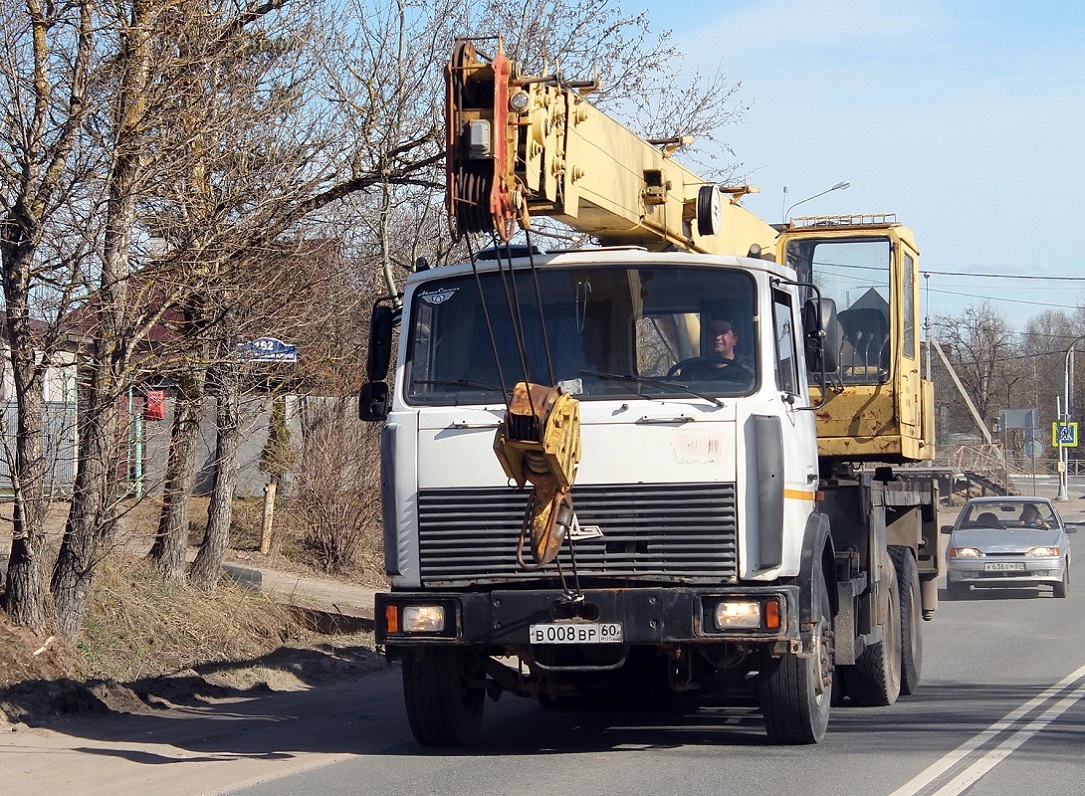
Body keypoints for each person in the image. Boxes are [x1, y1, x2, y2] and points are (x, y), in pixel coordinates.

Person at [669, 318, 753, 383]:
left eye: (723, 332)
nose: (717, 337)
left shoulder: (748, 370)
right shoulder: (691, 371)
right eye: (713, 332)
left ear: (735, 338)